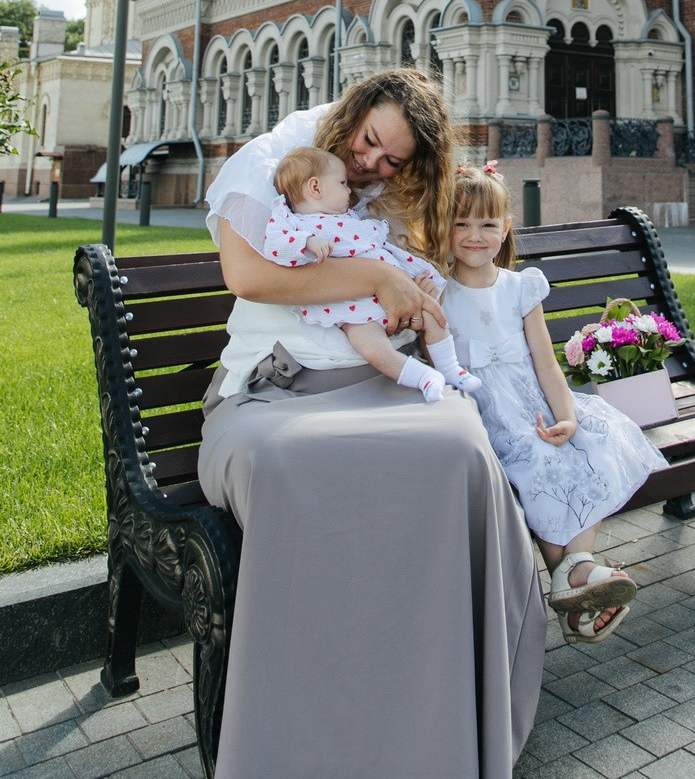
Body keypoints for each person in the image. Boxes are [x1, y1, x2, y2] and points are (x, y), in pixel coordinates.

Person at [198, 69, 546, 779]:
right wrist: (374, 279)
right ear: (353, 112)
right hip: (276, 388)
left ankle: (437, 717)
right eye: (369, 143)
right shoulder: (279, 163)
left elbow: (411, 283)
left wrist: (406, 294)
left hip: (373, 378)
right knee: (285, 463)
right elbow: (250, 276)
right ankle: (297, 739)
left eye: (393, 161)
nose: (372, 164)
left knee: (458, 446)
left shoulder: (385, 192)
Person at [442, 162, 665, 645]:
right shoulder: (437, 292)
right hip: (484, 414)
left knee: (598, 438)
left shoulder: (520, 288)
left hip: (536, 401)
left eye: (486, 224)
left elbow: (545, 362)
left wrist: (567, 414)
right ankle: (576, 579)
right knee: (541, 465)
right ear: (444, 227)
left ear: (504, 230)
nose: (474, 236)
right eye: (461, 223)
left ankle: (574, 574)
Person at [268, 143, 481, 402]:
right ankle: (422, 378)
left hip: (396, 291)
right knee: (372, 348)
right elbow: (275, 245)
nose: (349, 190)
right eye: (343, 183)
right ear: (315, 188)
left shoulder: (349, 216)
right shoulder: (294, 221)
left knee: (433, 314)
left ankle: (450, 368)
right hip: (353, 311)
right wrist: (306, 242)